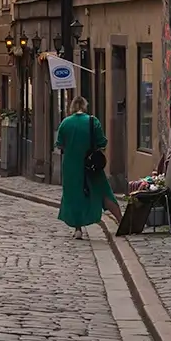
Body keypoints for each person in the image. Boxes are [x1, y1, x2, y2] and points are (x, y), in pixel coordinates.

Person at [56, 96, 122, 238]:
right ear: (85, 106)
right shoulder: (93, 122)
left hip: (71, 166)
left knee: (74, 196)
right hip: (91, 165)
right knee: (104, 191)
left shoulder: (65, 123)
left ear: (72, 107)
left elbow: (60, 144)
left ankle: (78, 229)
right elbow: (102, 142)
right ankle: (121, 222)